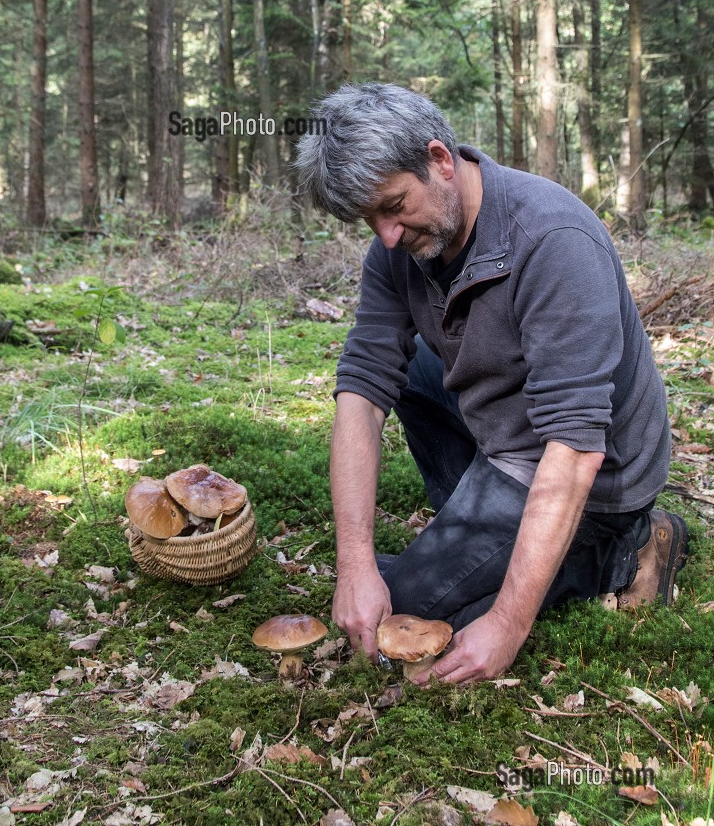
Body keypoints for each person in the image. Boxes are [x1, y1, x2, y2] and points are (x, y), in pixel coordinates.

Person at [294, 82, 688, 686]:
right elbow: (363, 389)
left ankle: (628, 545)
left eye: (394, 205)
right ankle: (477, 526)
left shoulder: (554, 242)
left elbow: (578, 445)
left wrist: (508, 623)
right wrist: (354, 564)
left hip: (592, 469)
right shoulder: (399, 250)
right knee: (405, 378)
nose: (387, 235)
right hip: (505, 422)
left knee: (405, 611)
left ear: (440, 160)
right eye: (368, 218)